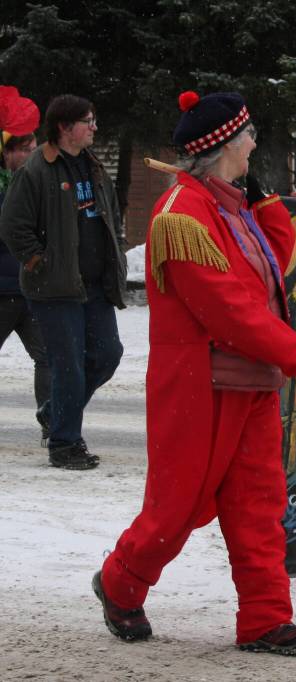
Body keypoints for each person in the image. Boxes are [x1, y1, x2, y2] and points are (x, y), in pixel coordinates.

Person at [93, 90, 296, 655]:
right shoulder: (183, 214)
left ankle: (266, 619)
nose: (255, 143)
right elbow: (230, 310)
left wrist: (264, 201)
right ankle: (121, 582)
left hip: (249, 383)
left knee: (259, 506)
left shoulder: (229, 205)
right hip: (203, 387)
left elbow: (270, 268)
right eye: (248, 136)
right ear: (224, 144)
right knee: (177, 507)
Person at [0, 94, 126, 470]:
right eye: (88, 121)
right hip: (54, 288)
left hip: (95, 287)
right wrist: (40, 260)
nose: (94, 127)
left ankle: (54, 410)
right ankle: (65, 443)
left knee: (107, 355)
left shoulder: (94, 167)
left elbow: (110, 217)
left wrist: (115, 254)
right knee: (67, 364)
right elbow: (12, 225)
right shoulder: (37, 170)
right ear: (64, 127)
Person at [0, 90, 50, 443]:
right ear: (7, 152)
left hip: (29, 289)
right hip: (3, 290)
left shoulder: (31, 184)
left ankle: (53, 425)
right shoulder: (10, 188)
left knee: (47, 357)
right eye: (24, 148)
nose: (30, 154)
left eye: (33, 146)